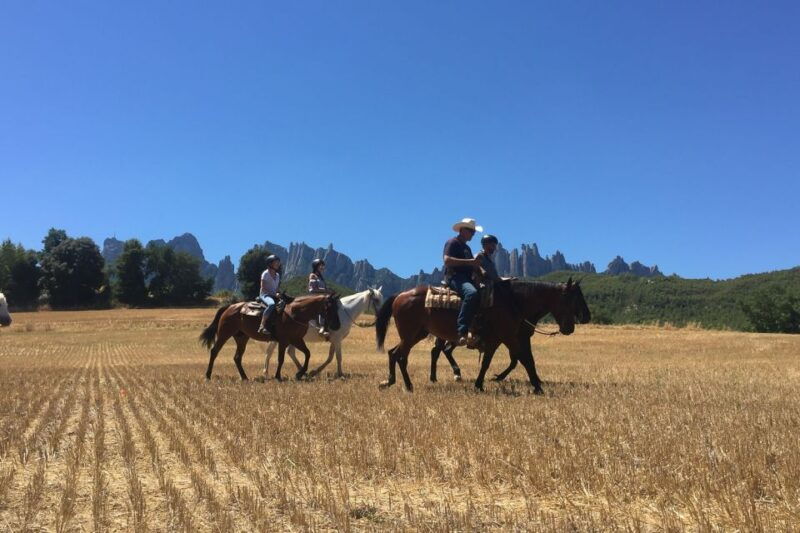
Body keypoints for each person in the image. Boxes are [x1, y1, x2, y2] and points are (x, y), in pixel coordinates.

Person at [443, 218, 483, 347]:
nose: (473, 234)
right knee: (471, 293)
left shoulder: (467, 248)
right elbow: (447, 261)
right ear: (462, 230)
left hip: (466, 278)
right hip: (455, 277)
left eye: (474, 232)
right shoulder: (452, 242)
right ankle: (462, 330)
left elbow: (472, 265)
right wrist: (471, 262)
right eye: (471, 231)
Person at [258, 255, 282, 337]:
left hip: (274, 295)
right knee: (271, 304)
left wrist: (279, 293)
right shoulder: (265, 274)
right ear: (270, 264)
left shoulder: (277, 275)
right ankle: (262, 325)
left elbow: (276, 288)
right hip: (265, 295)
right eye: (276, 262)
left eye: (278, 262)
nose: (278, 264)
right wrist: (274, 294)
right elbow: (263, 287)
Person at [308, 258, 331, 339]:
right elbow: (312, 289)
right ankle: (321, 327)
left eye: (323, 266)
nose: (322, 267)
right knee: (322, 307)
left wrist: (329, 291)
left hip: (322, 297)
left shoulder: (321, 277)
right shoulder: (312, 275)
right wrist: (325, 290)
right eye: (320, 266)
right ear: (316, 266)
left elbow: (323, 288)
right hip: (315, 297)